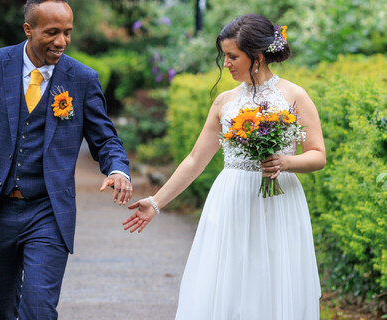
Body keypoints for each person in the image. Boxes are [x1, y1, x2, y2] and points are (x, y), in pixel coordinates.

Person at [123, 13, 326, 320]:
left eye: (233, 56)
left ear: (257, 56)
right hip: (231, 201)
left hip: (279, 202)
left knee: (272, 280)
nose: (226, 64)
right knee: (228, 281)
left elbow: (317, 155)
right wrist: (155, 202)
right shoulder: (224, 102)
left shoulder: (294, 96)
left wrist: (286, 161)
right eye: (225, 56)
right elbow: (195, 160)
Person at [0, 0, 132, 318]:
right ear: (28, 29)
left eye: (67, 33)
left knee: (38, 309)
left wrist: (117, 168)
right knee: (1, 309)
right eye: (52, 32)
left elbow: (105, 139)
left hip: (48, 211)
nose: (61, 41)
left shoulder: (82, 78)